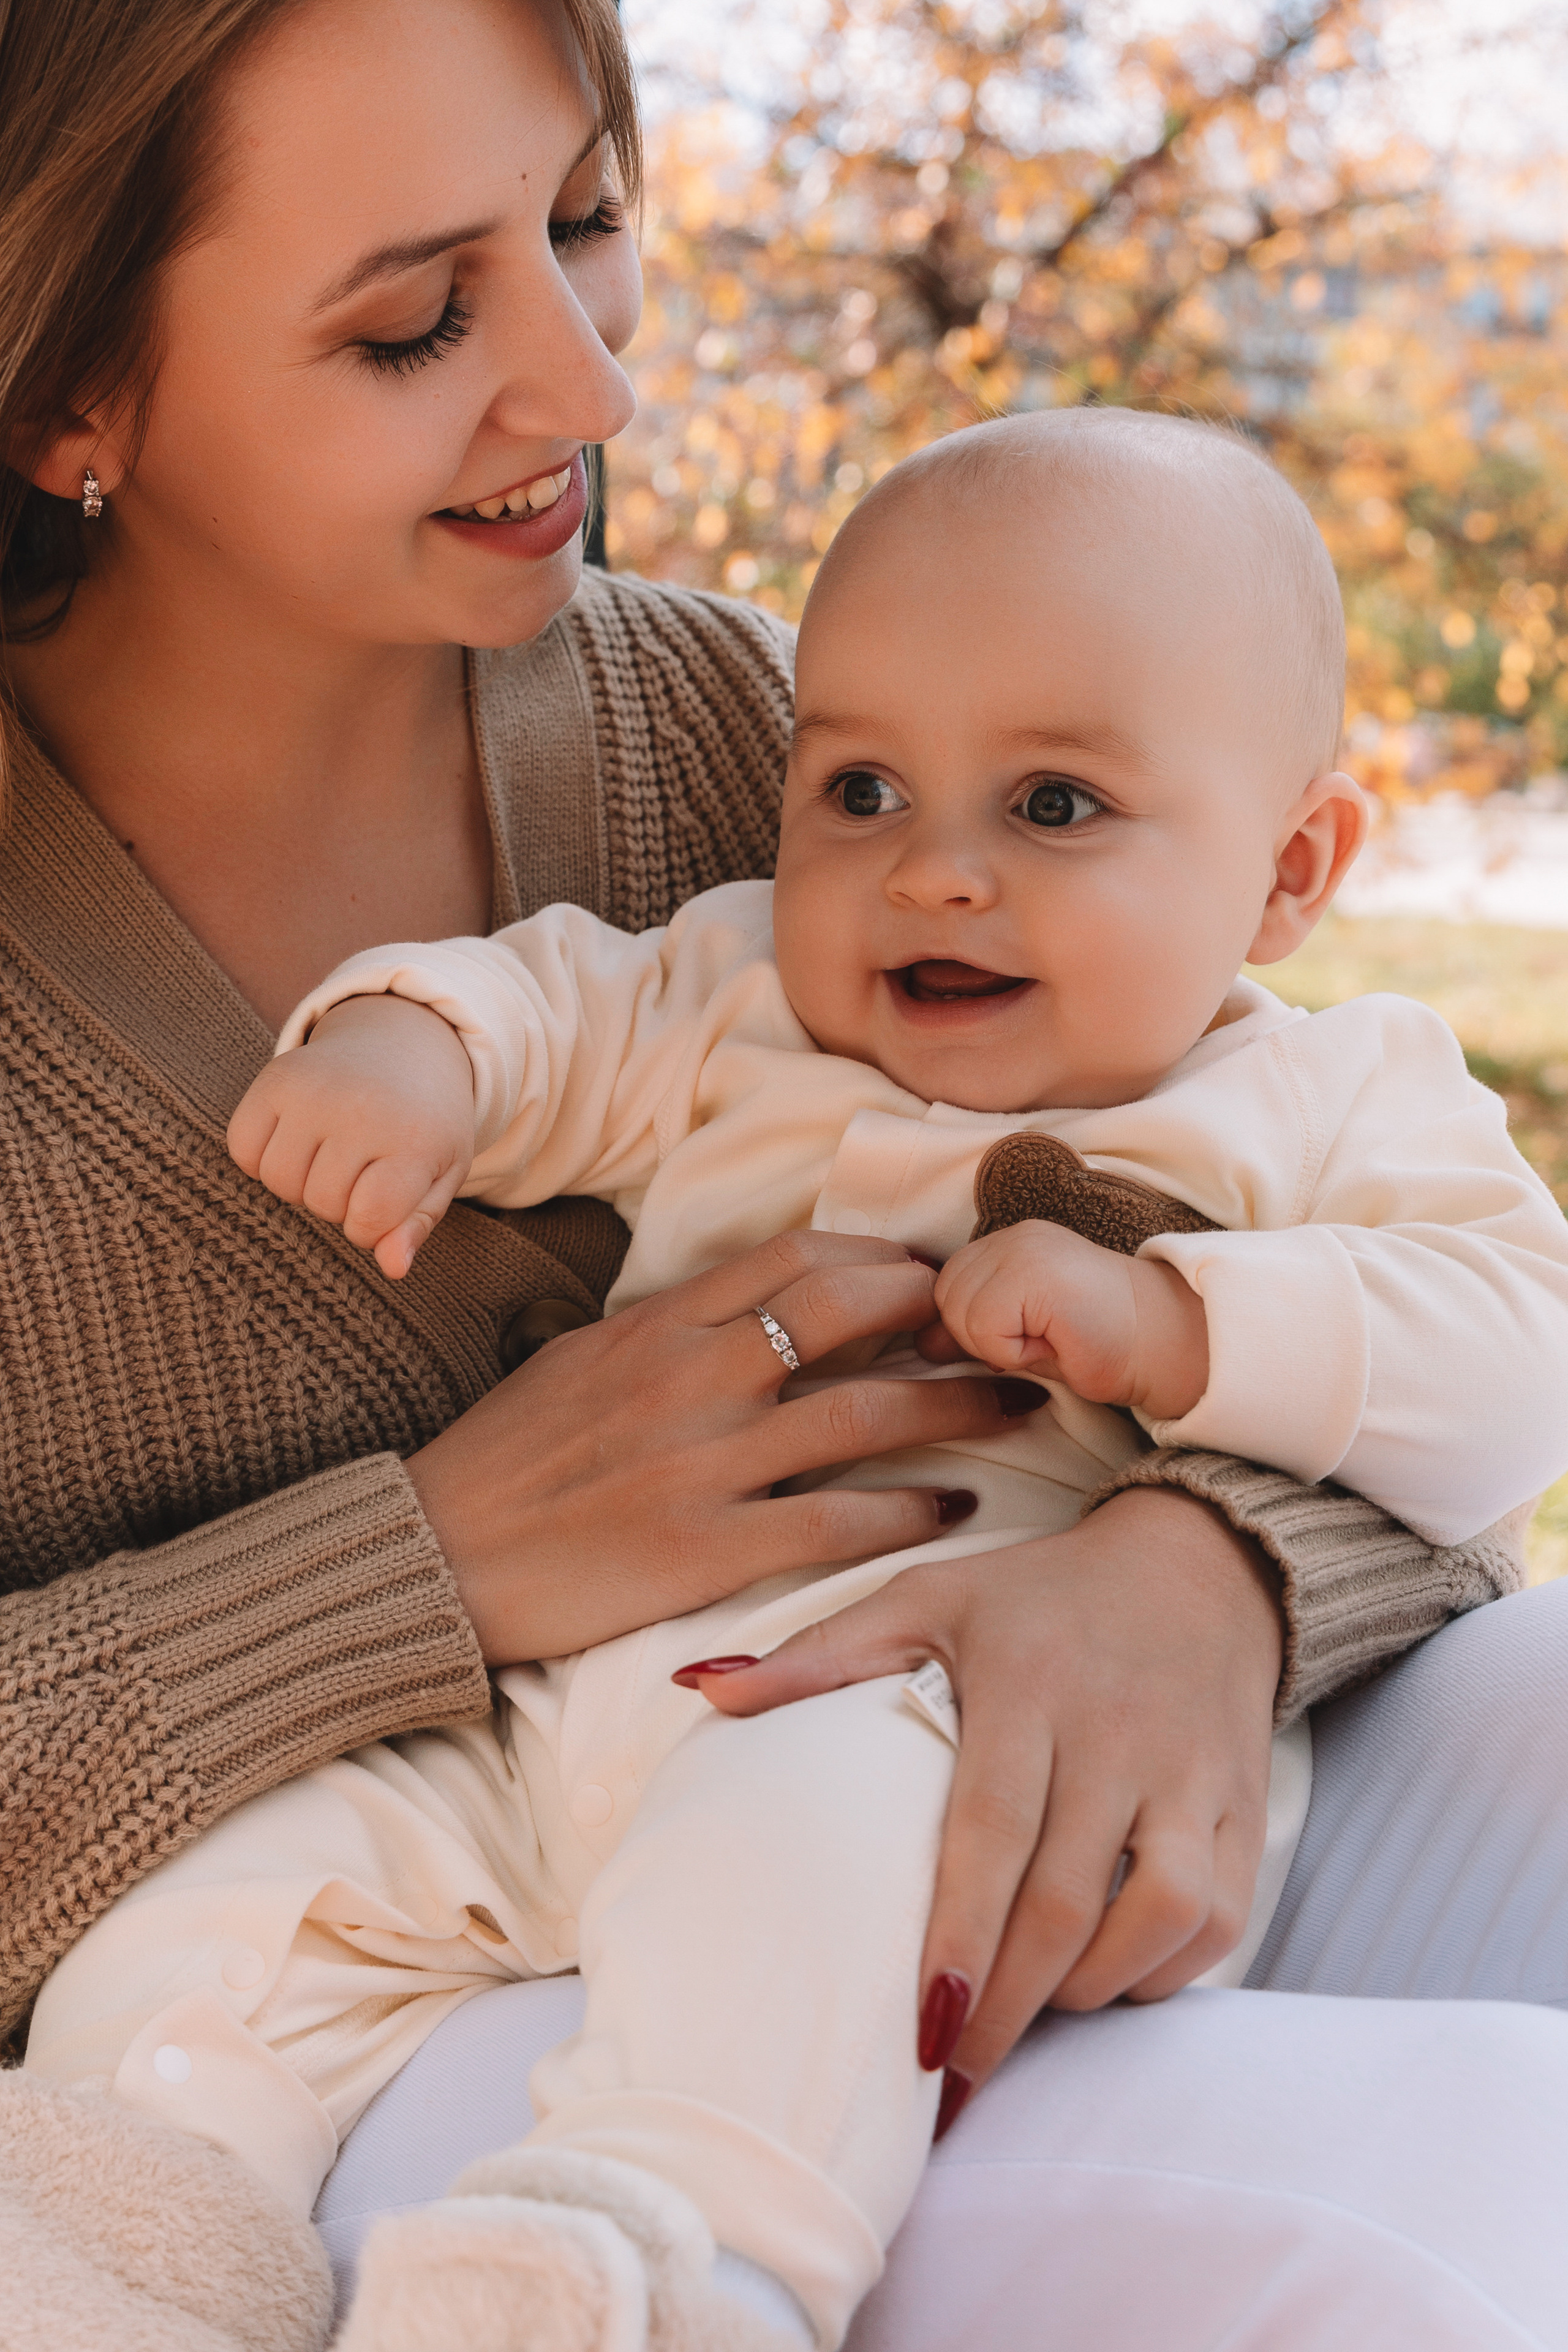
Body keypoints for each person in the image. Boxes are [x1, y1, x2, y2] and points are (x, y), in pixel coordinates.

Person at [2, 3, 1567, 2350]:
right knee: (1412, 2243)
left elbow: (1383, 1270)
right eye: (419, 318)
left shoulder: (781, 736)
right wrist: (423, 1567)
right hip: (442, 1908)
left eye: (592, 220)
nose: (592, 387)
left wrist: (1208, 1562)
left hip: (976, 1757)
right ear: (67, 395)